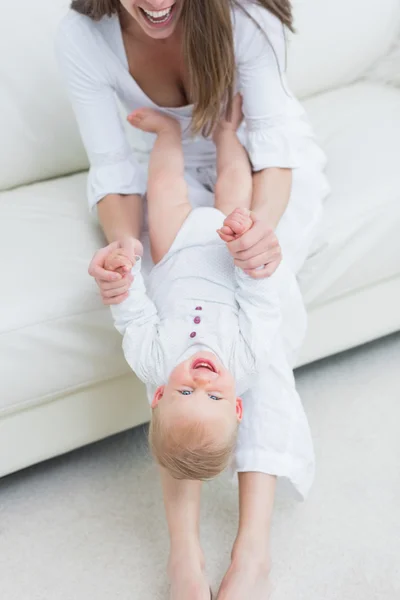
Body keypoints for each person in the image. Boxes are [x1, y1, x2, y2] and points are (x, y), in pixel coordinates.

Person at [56, 1, 330, 598]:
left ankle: (251, 549)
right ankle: (186, 552)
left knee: (267, 306)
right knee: (195, 322)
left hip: (259, 169)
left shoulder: (245, 20)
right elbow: (113, 171)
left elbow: (275, 154)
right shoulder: (84, 37)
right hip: (163, 175)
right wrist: (126, 253)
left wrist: (255, 236)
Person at [107, 101, 291, 482]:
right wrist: (247, 259)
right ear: (237, 407)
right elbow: (261, 306)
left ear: (159, 396)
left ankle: (167, 133)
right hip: (229, 252)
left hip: (174, 250)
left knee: (163, 190)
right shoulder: (248, 363)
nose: (202, 383)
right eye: (215, 397)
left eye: (186, 394)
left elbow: (135, 317)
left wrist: (126, 280)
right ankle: (226, 132)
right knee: (235, 185)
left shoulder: (152, 363)